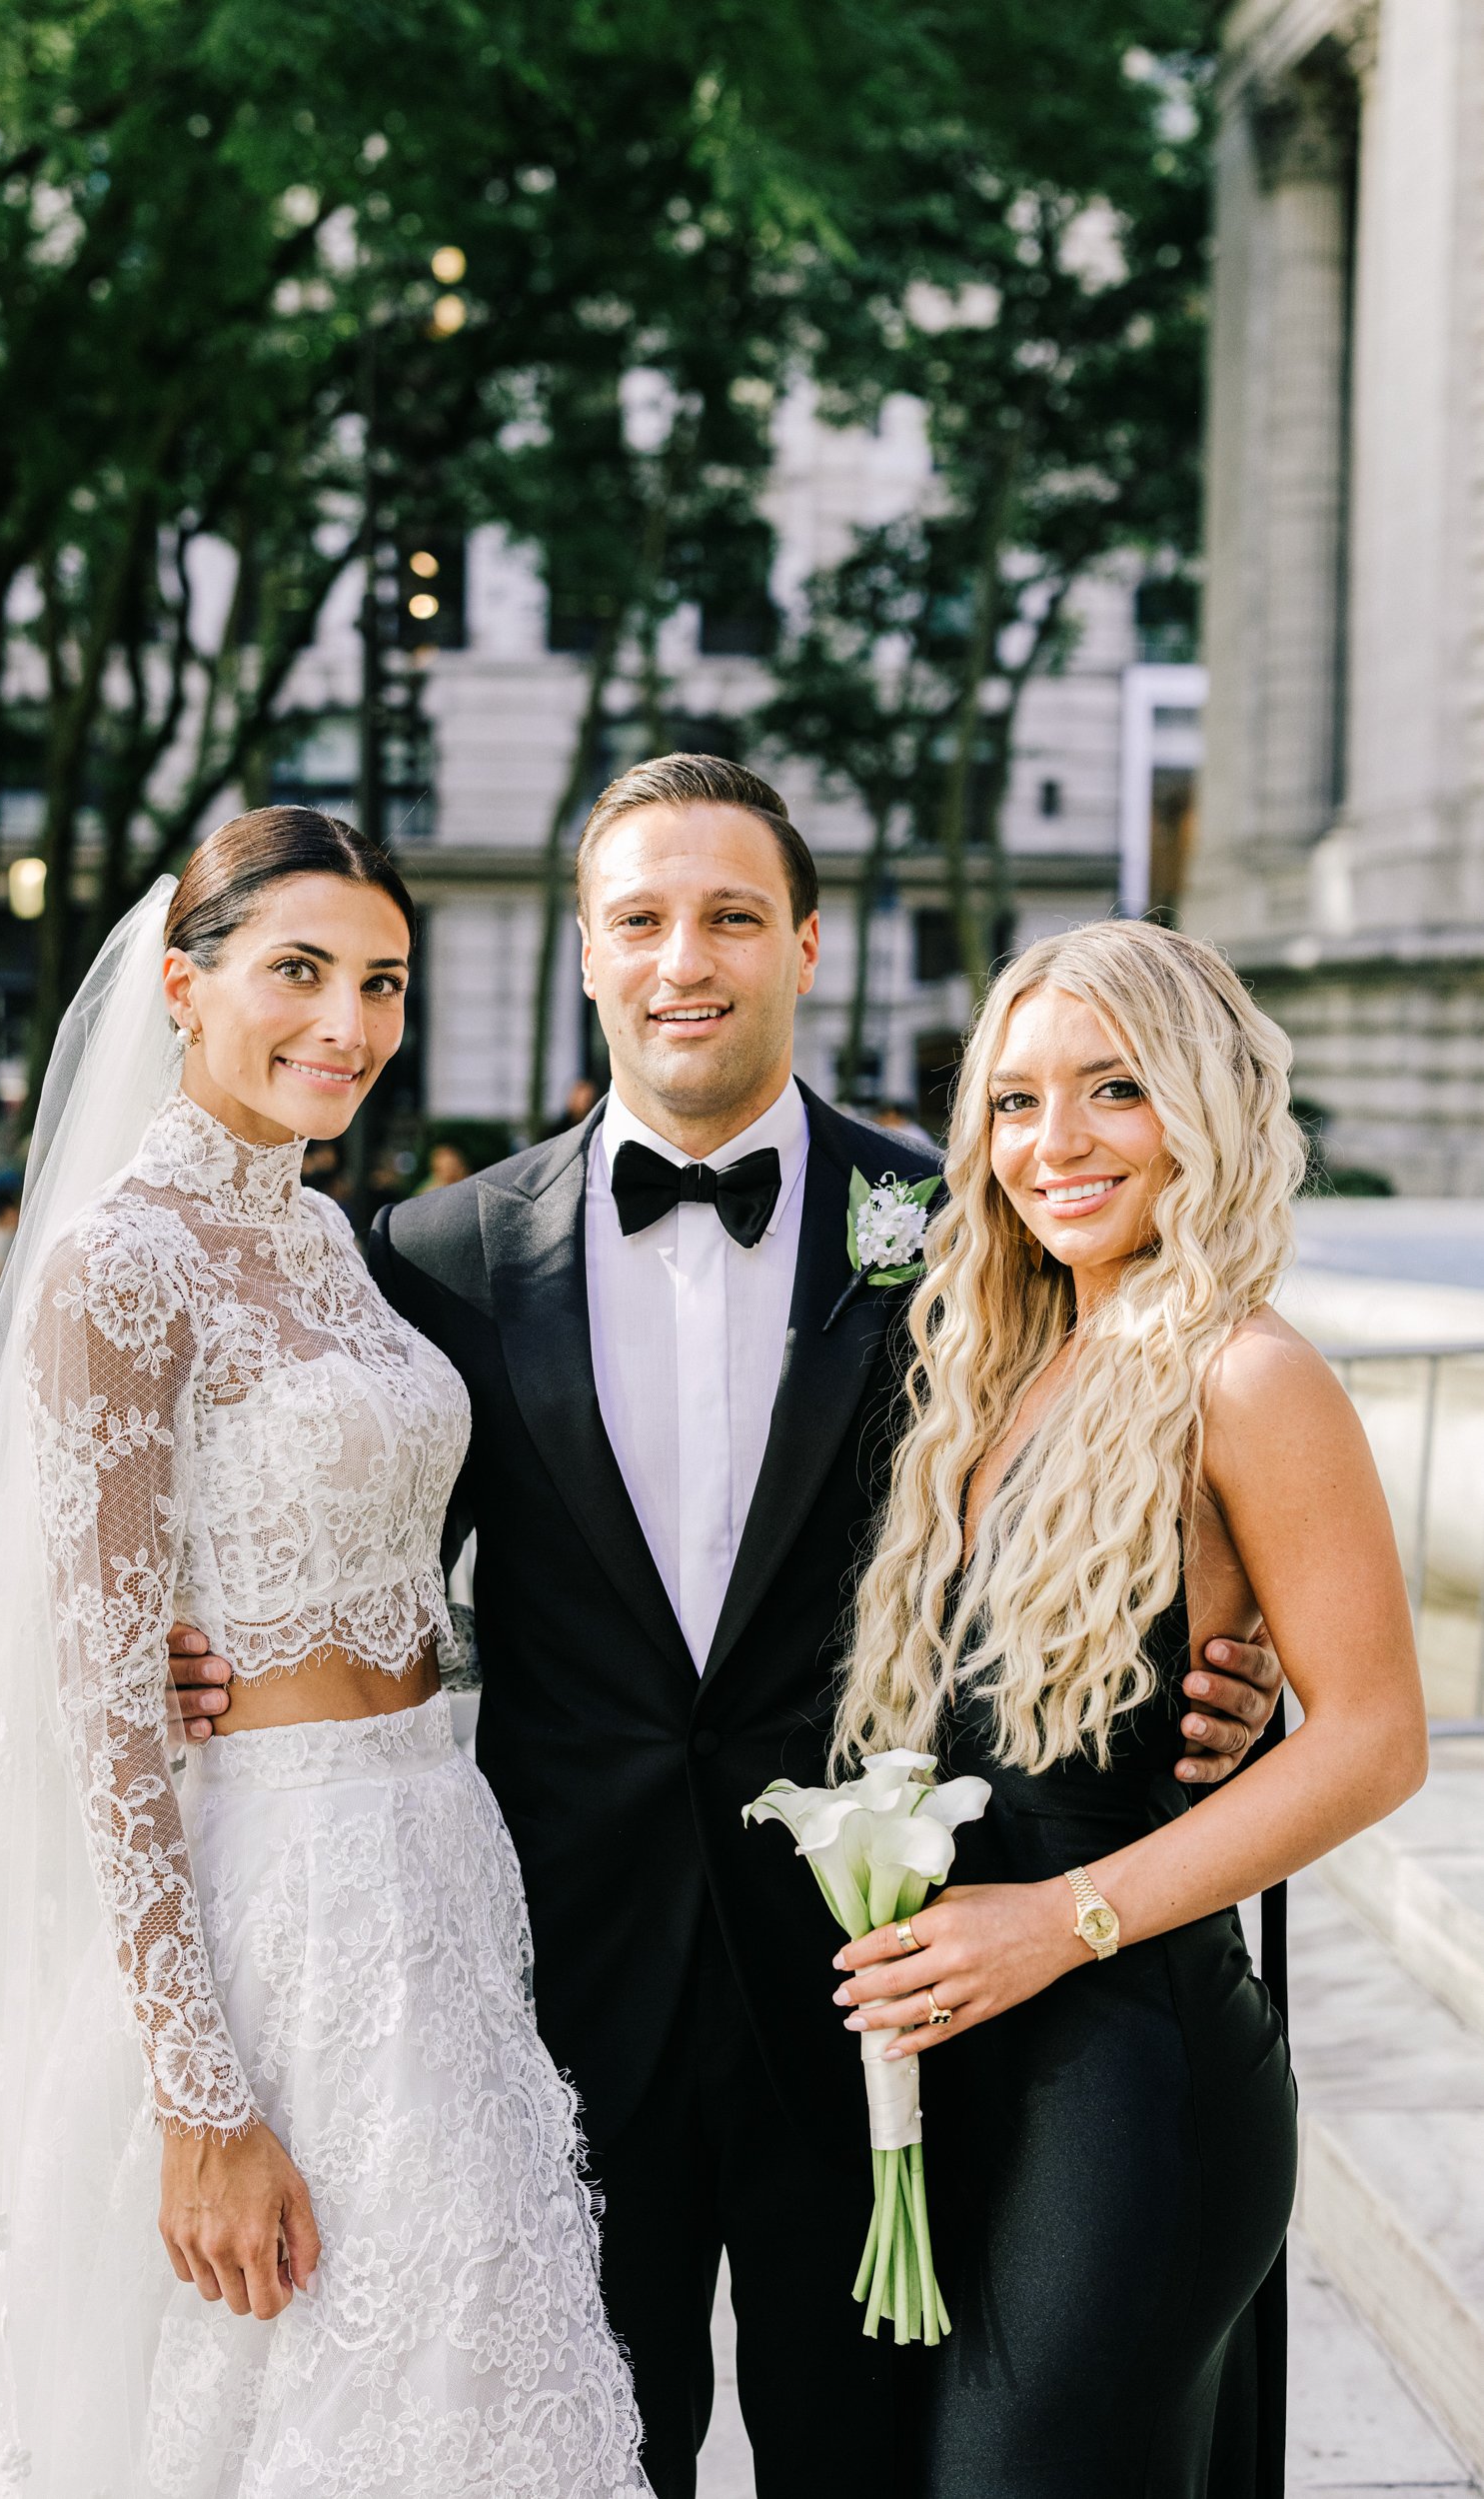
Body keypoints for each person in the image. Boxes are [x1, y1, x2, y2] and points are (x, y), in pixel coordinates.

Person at [170, 758, 1285, 2499]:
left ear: (808, 948)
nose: (685, 958)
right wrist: (214, 1660)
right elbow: (365, 1547)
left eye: (732, 917)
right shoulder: (441, 1253)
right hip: (548, 1995)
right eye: (641, 920)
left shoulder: (961, 1234)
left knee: (875, 2462)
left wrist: (1230, 1656)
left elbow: (1127, 1461)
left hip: (880, 1993)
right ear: (591, 953)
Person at [0, 808, 646, 2498]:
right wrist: (201, 2098)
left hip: (437, 1868)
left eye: (381, 984)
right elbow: (105, 1715)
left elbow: (381, 1561)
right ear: (183, 990)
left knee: (465, 2380)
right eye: (299, 973)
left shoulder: (332, 1240)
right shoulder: (119, 1268)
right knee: (286, 2379)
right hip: (271, 1904)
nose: (346, 1026)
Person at [828, 921, 1428, 2496]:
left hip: (1130, 2079)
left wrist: (1055, 1921)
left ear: (1208, 1106)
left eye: (1114, 1090)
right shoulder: (1011, 1363)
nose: (1056, 1144)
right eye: (1015, 1104)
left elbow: (1376, 1739)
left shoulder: (1248, 1373)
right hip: (972, 2065)